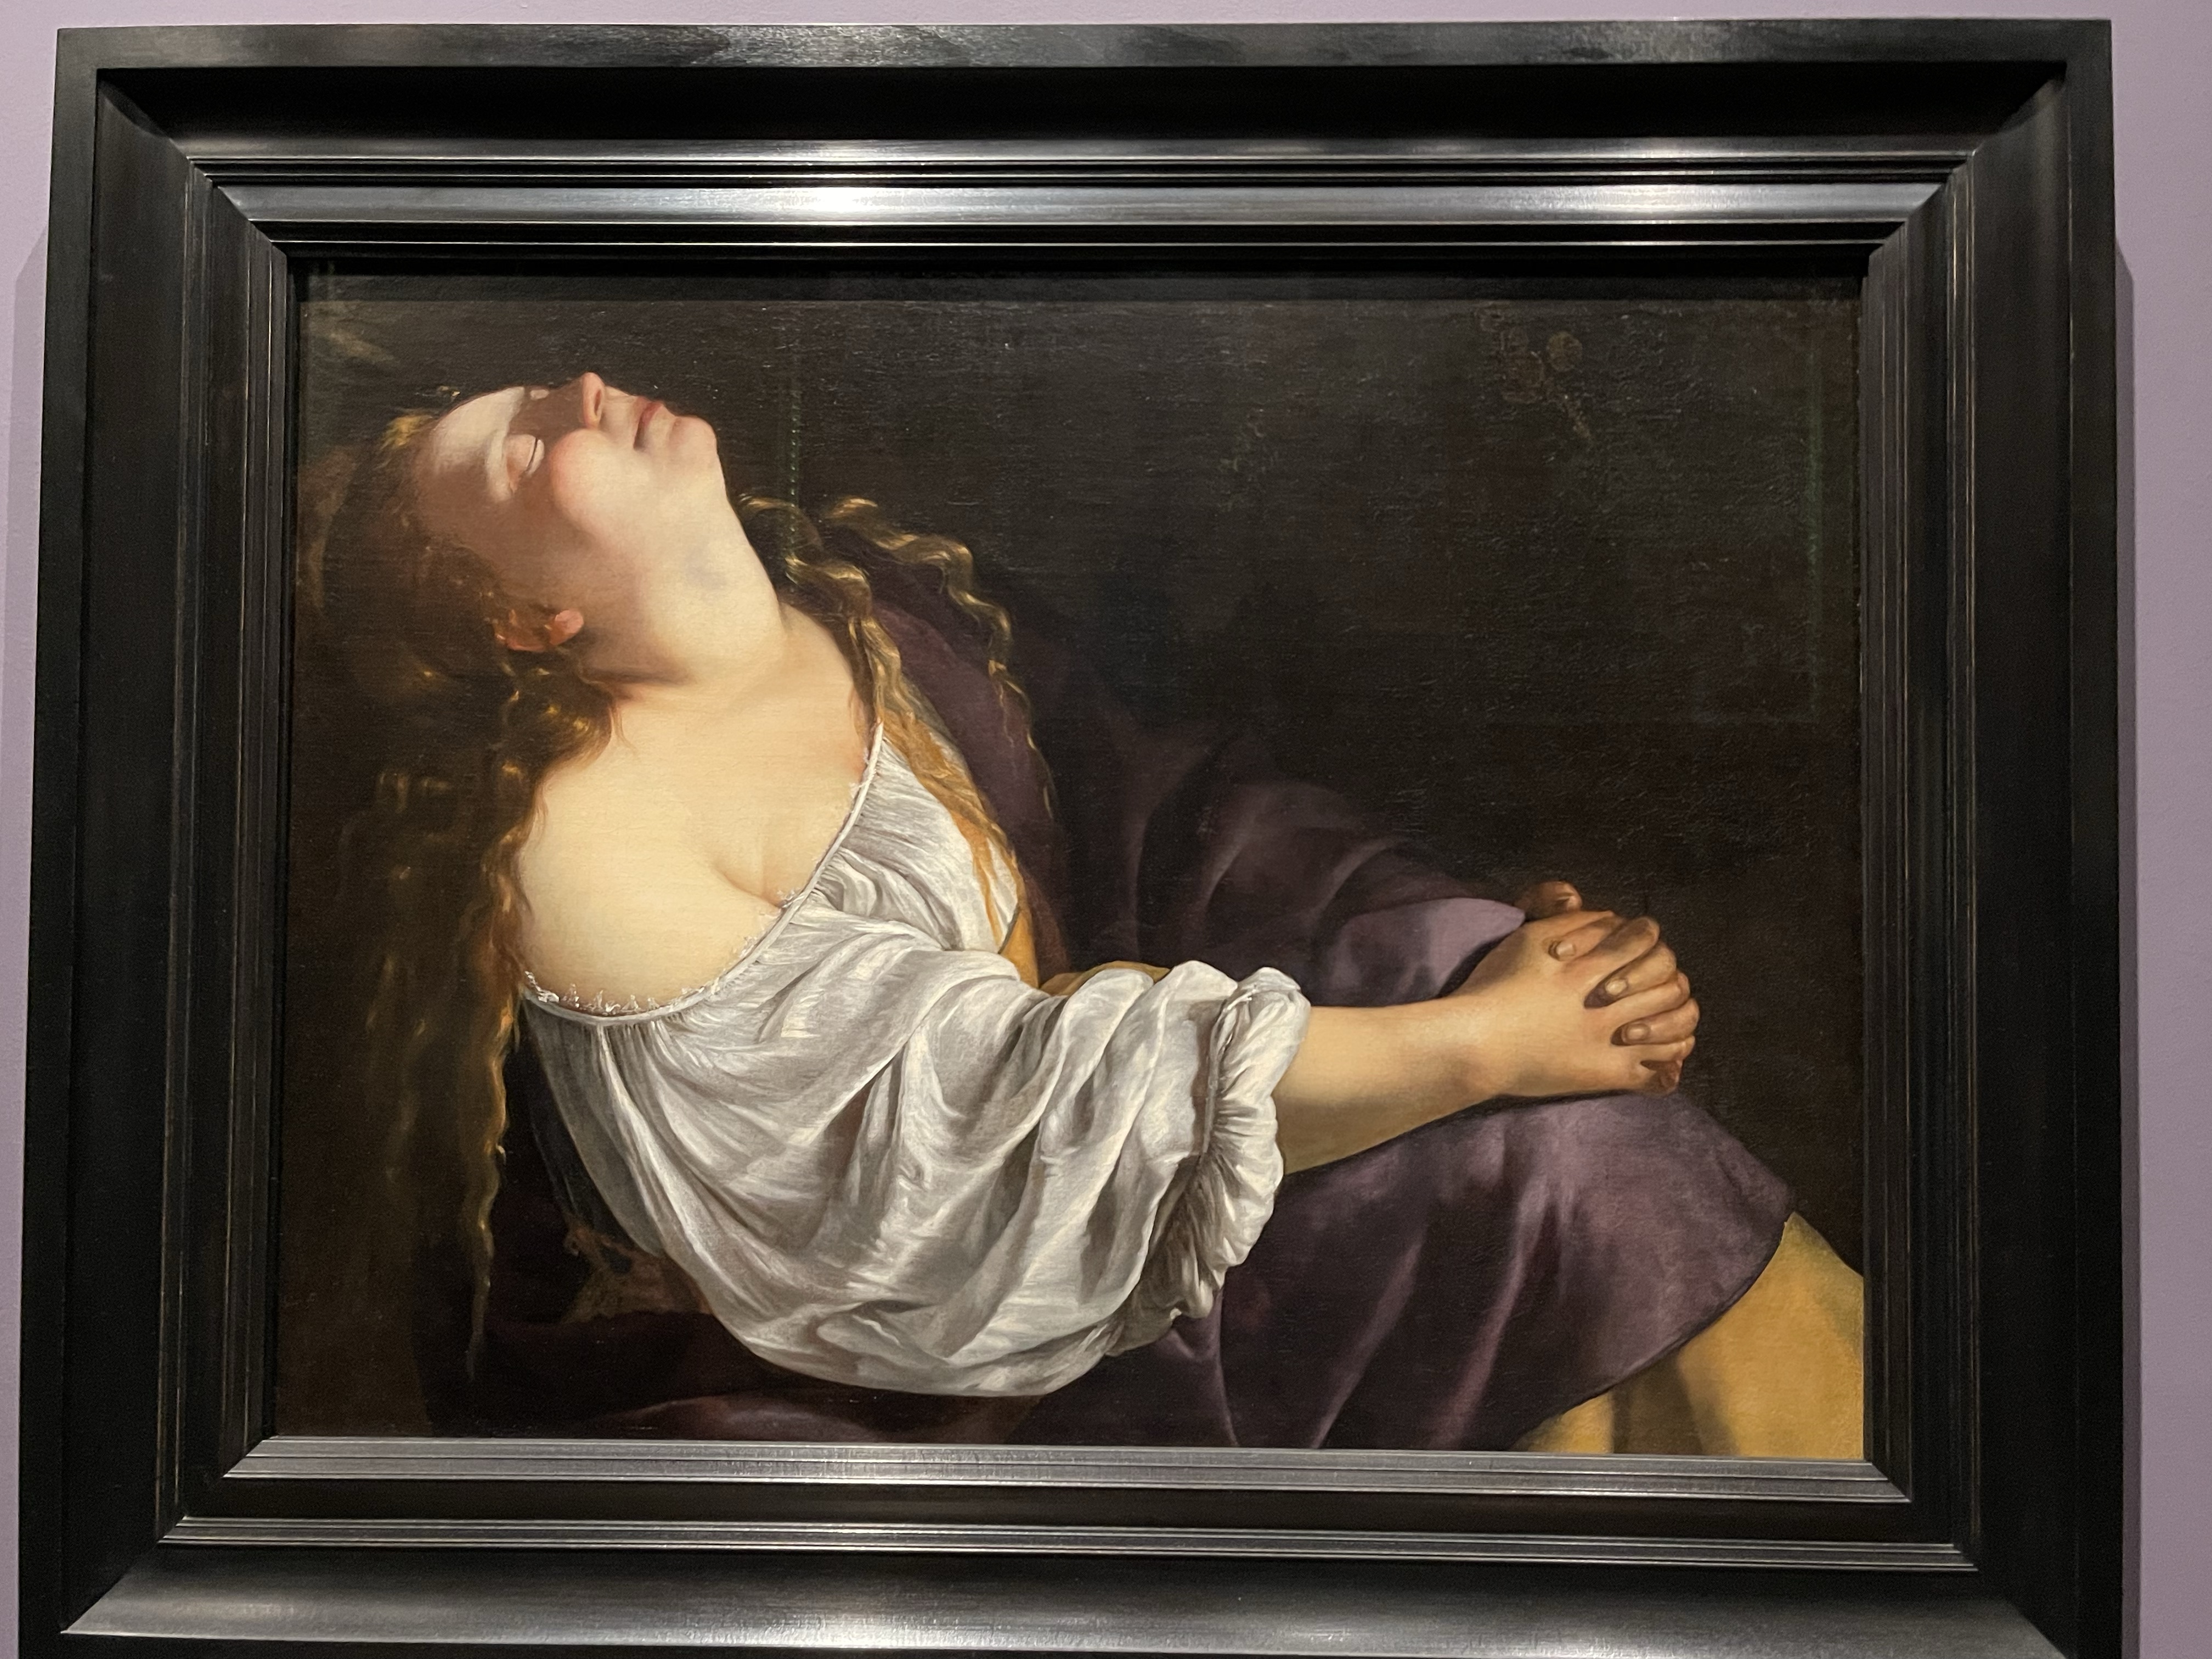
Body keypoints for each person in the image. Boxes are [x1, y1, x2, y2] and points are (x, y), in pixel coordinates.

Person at [281, 370, 1862, 1453]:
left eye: (537, 389)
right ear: (527, 619)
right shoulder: (580, 843)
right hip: (974, 1374)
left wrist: (1474, 944)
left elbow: (1179, 819)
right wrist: (1485, 1042)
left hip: (1162, 1191)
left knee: (1570, 1117)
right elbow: (995, 1117)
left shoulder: (874, 605)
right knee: (1580, 1180)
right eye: (517, 448)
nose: (573, 391)